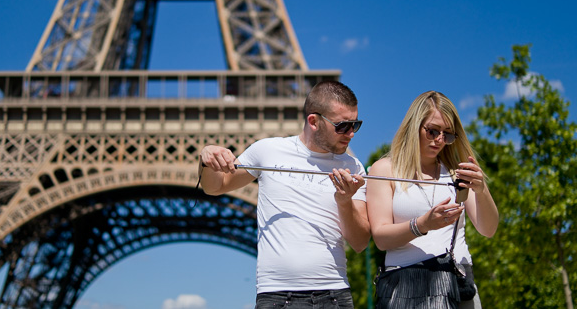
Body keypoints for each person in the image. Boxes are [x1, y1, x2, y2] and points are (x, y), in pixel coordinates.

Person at [199, 80, 370, 309]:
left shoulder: (354, 166)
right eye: (342, 126)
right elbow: (214, 187)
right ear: (314, 121)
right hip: (276, 295)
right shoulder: (267, 150)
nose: (350, 134)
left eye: (355, 125)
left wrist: (344, 200)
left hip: (334, 294)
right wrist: (206, 160)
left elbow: (359, 243)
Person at [367, 90, 499, 309]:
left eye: (447, 134)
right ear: (414, 126)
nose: (439, 140)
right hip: (406, 287)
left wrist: (482, 189)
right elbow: (380, 238)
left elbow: (488, 229)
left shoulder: (457, 174)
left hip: (457, 284)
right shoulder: (385, 169)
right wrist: (423, 224)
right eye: (432, 131)